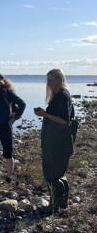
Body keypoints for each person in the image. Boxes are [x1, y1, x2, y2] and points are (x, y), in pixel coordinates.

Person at [34, 69, 75, 214]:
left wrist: (44, 114)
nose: (48, 83)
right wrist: (45, 114)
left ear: (58, 79)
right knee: (59, 172)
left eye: (50, 80)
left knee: (52, 173)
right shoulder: (60, 95)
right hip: (58, 141)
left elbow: (64, 121)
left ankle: (54, 205)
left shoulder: (62, 96)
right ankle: (62, 202)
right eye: (47, 80)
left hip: (57, 142)